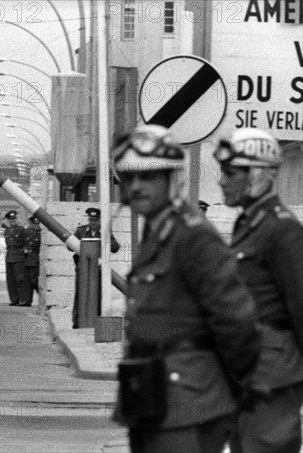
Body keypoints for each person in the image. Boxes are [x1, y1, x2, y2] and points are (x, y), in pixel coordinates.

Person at [112, 125, 261, 453]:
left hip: (188, 398)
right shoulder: (156, 232)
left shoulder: (193, 236)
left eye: (148, 177)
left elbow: (237, 320)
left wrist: (230, 385)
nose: (136, 187)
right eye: (129, 177)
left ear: (171, 179)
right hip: (148, 392)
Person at [214, 128, 303, 453]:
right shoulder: (249, 224)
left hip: (273, 376)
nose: (222, 181)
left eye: (231, 172)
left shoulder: (282, 230)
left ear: (259, 175)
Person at [71, 207, 120, 328]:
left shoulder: (104, 231)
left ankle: (95, 319)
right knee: (80, 293)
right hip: (82, 268)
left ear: (99, 220)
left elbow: (115, 247)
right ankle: (77, 321)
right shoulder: (81, 231)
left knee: (97, 294)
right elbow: (70, 246)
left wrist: (105, 239)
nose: (93, 223)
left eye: (95, 220)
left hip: (98, 269)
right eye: (91, 219)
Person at [3, 210, 31, 306]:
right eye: (11, 219)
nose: (13, 221)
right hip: (9, 255)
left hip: (18, 256)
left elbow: (26, 243)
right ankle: (14, 299)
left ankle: (23, 299)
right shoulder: (7, 231)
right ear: (8, 220)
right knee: (11, 280)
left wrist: (25, 251)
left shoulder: (21, 230)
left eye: (14, 219)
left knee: (20, 279)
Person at [23, 215, 41, 306]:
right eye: (34, 224)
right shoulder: (28, 231)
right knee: (27, 281)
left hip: (35, 258)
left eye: (37, 224)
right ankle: (27, 300)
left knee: (35, 280)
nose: (36, 226)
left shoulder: (41, 233)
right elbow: (24, 242)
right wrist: (25, 249)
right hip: (27, 258)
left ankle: (42, 298)